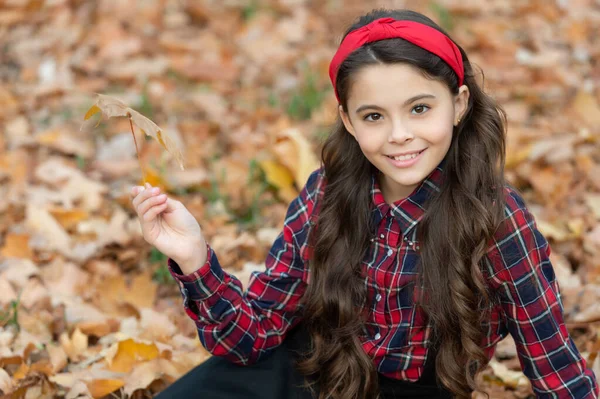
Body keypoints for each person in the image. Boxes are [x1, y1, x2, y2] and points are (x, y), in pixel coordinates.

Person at [130, 8, 599, 399]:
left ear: (458, 104)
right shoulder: (327, 192)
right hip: (315, 369)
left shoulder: (496, 220)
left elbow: (554, 364)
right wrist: (194, 260)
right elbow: (253, 335)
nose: (399, 135)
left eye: (420, 108)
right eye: (374, 115)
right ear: (348, 121)